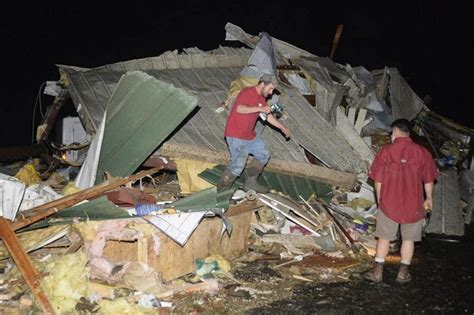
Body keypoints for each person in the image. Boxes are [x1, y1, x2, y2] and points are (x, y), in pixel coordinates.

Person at [365, 118, 439, 284]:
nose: (391, 136)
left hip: (389, 202)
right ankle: (402, 273)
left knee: (384, 237)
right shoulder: (422, 152)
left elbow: (378, 180)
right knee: (409, 239)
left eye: (392, 133)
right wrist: (429, 199)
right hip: (413, 204)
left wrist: (380, 199)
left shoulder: (386, 151)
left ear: (397, 131)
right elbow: (429, 180)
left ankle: (377, 272)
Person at [216, 74, 290, 195]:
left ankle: (250, 183)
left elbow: (267, 115)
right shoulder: (247, 92)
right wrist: (260, 108)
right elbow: (240, 109)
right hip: (236, 134)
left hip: (249, 135)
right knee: (238, 165)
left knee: (263, 154)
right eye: (270, 89)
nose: (271, 93)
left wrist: (282, 127)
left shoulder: (261, 98)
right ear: (262, 84)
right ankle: (220, 194)